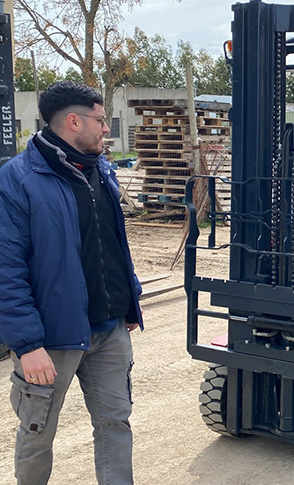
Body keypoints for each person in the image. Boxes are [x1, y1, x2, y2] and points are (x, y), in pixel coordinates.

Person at [0, 81, 143, 483]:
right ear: (73, 121)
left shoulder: (99, 170)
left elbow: (111, 241)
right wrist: (27, 345)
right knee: (37, 433)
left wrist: (127, 297)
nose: (106, 130)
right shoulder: (17, 181)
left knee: (116, 424)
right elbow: (6, 270)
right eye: (100, 121)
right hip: (52, 338)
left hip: (110, 329)